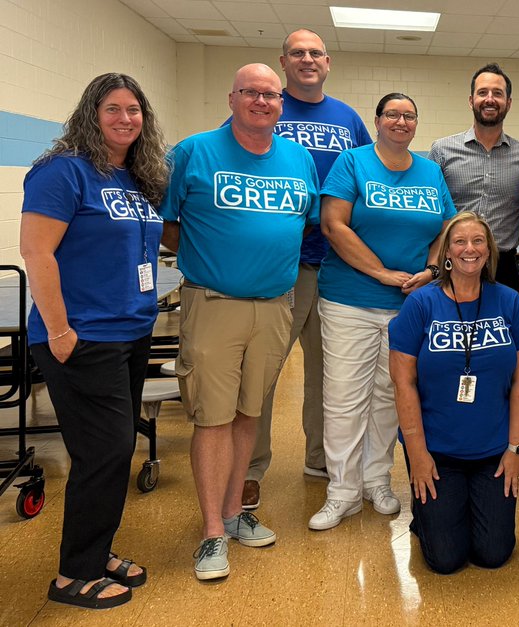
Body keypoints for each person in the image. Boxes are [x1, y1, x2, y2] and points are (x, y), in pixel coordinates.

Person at [161, 63, 320, 580]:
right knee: (213, 417)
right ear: (232, 98)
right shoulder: (194, 152)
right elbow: (165, 226)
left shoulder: (298, 158)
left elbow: (306, 223)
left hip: (276, 304)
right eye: (251, 92)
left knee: (250, 412)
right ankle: (210, 534)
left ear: (282, 104)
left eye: (271, 95)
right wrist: (212, 258)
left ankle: (233, 515)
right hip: (214, 304)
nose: (261, 102)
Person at [22, 72, 166, 609]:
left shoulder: (133, 178)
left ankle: (96, 551)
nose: (125, 118)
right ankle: (73, 576)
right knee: (102, 453)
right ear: (91, 113)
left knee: (113, 450)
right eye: (113, 108)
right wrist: (60, 332)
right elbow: (36, 254)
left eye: (134, 110)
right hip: (82, 336)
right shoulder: (62, 173)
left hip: (131, 332)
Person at [308, 92, 456, 531]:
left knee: (390, 396)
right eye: (392, 114)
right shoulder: (353, 163)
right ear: (377, 120)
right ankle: (342, 491)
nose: (401, 121)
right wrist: (382, 273)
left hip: (409, 306)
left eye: (409, 115)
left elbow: (446, 227)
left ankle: (377, 482)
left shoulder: (430, 171)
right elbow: (333, 225)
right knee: (344, 397)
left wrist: (431, 270)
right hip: (349, 299)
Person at [243, 27, 374, 510]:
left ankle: (321, 458)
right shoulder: (263, 109)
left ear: (328, 62)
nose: (306, 60)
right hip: (282, 264)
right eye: (297, 53)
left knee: (328, 372)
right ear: (283, 62)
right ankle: (251, 468)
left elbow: (369, 173)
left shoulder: (347, 118)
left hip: (338, 263)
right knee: (264, 371)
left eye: (315, 53)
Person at [389, 212, 519, 574]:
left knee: (493, 554)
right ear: (447, 253)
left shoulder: (509, 302)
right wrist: (417, 454)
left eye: (478, 241)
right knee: (445, 560)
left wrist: (517, 449)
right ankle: (427, 520)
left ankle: (457, 512)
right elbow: (403, 383)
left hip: (493, 450)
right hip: (436, 451)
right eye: (460, 242)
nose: (470, 249)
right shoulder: (421, 305)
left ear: (489, 251)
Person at [429, 63, 519, 295]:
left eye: (497, 93)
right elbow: (430, 215)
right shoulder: (442, 150)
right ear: (471, 101)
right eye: (482, 92)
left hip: (504, 267)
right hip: (451, 263)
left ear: (508, 103)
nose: (490, 99)